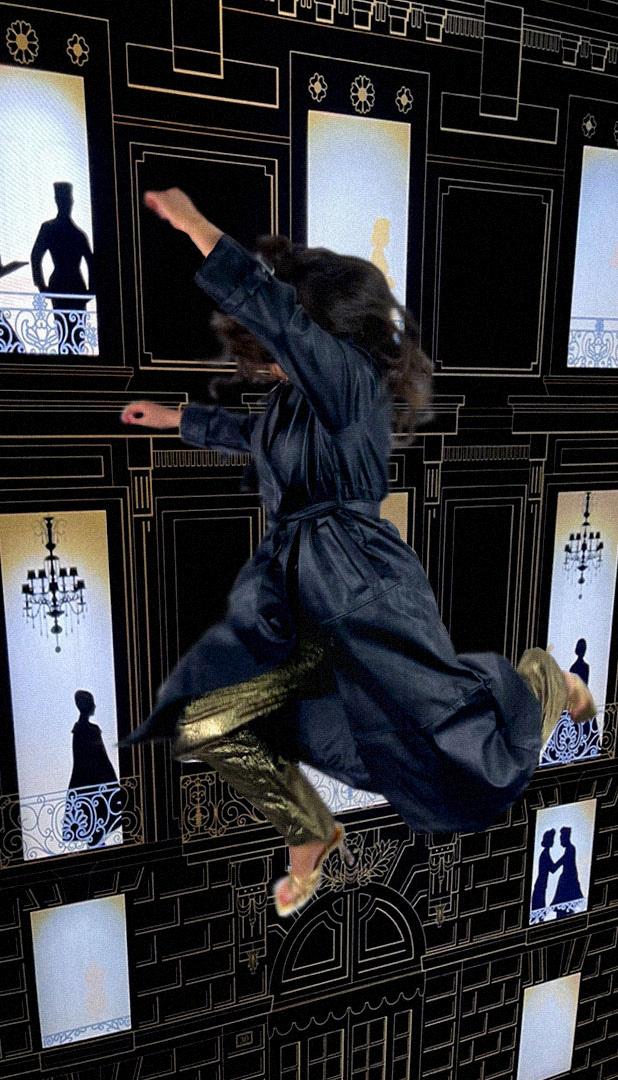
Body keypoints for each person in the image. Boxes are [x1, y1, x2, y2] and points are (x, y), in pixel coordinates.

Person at [121, 188, 596, 917]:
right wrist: (177, 419)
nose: (274, 358)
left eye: (292, 340)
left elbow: (279, 320)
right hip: (293, 592)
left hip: (360, 583)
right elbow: (253, 438)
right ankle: (309, 829)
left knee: (456, 745)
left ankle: (544, 684)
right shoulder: (292, 404)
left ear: (324, 333)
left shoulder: (351, 384)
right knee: (210, 716)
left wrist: (194, 225)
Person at [30, 182, 94, 350]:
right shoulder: (71, 232)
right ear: (58, 201)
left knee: (75, 336)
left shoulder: (74, 233)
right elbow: (36, 256)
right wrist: (41, 285)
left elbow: (91, 262)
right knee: (66, 334)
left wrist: (91, 290)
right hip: (69, 286)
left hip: (68, 286)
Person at [63, 690, 121, 848]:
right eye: (92, 703)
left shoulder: (80, 730)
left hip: (87, 784)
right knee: (95, 822)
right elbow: (100, 758)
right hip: (95, 784)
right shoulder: (90, 730)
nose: (95, 706)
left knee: (94, 823)